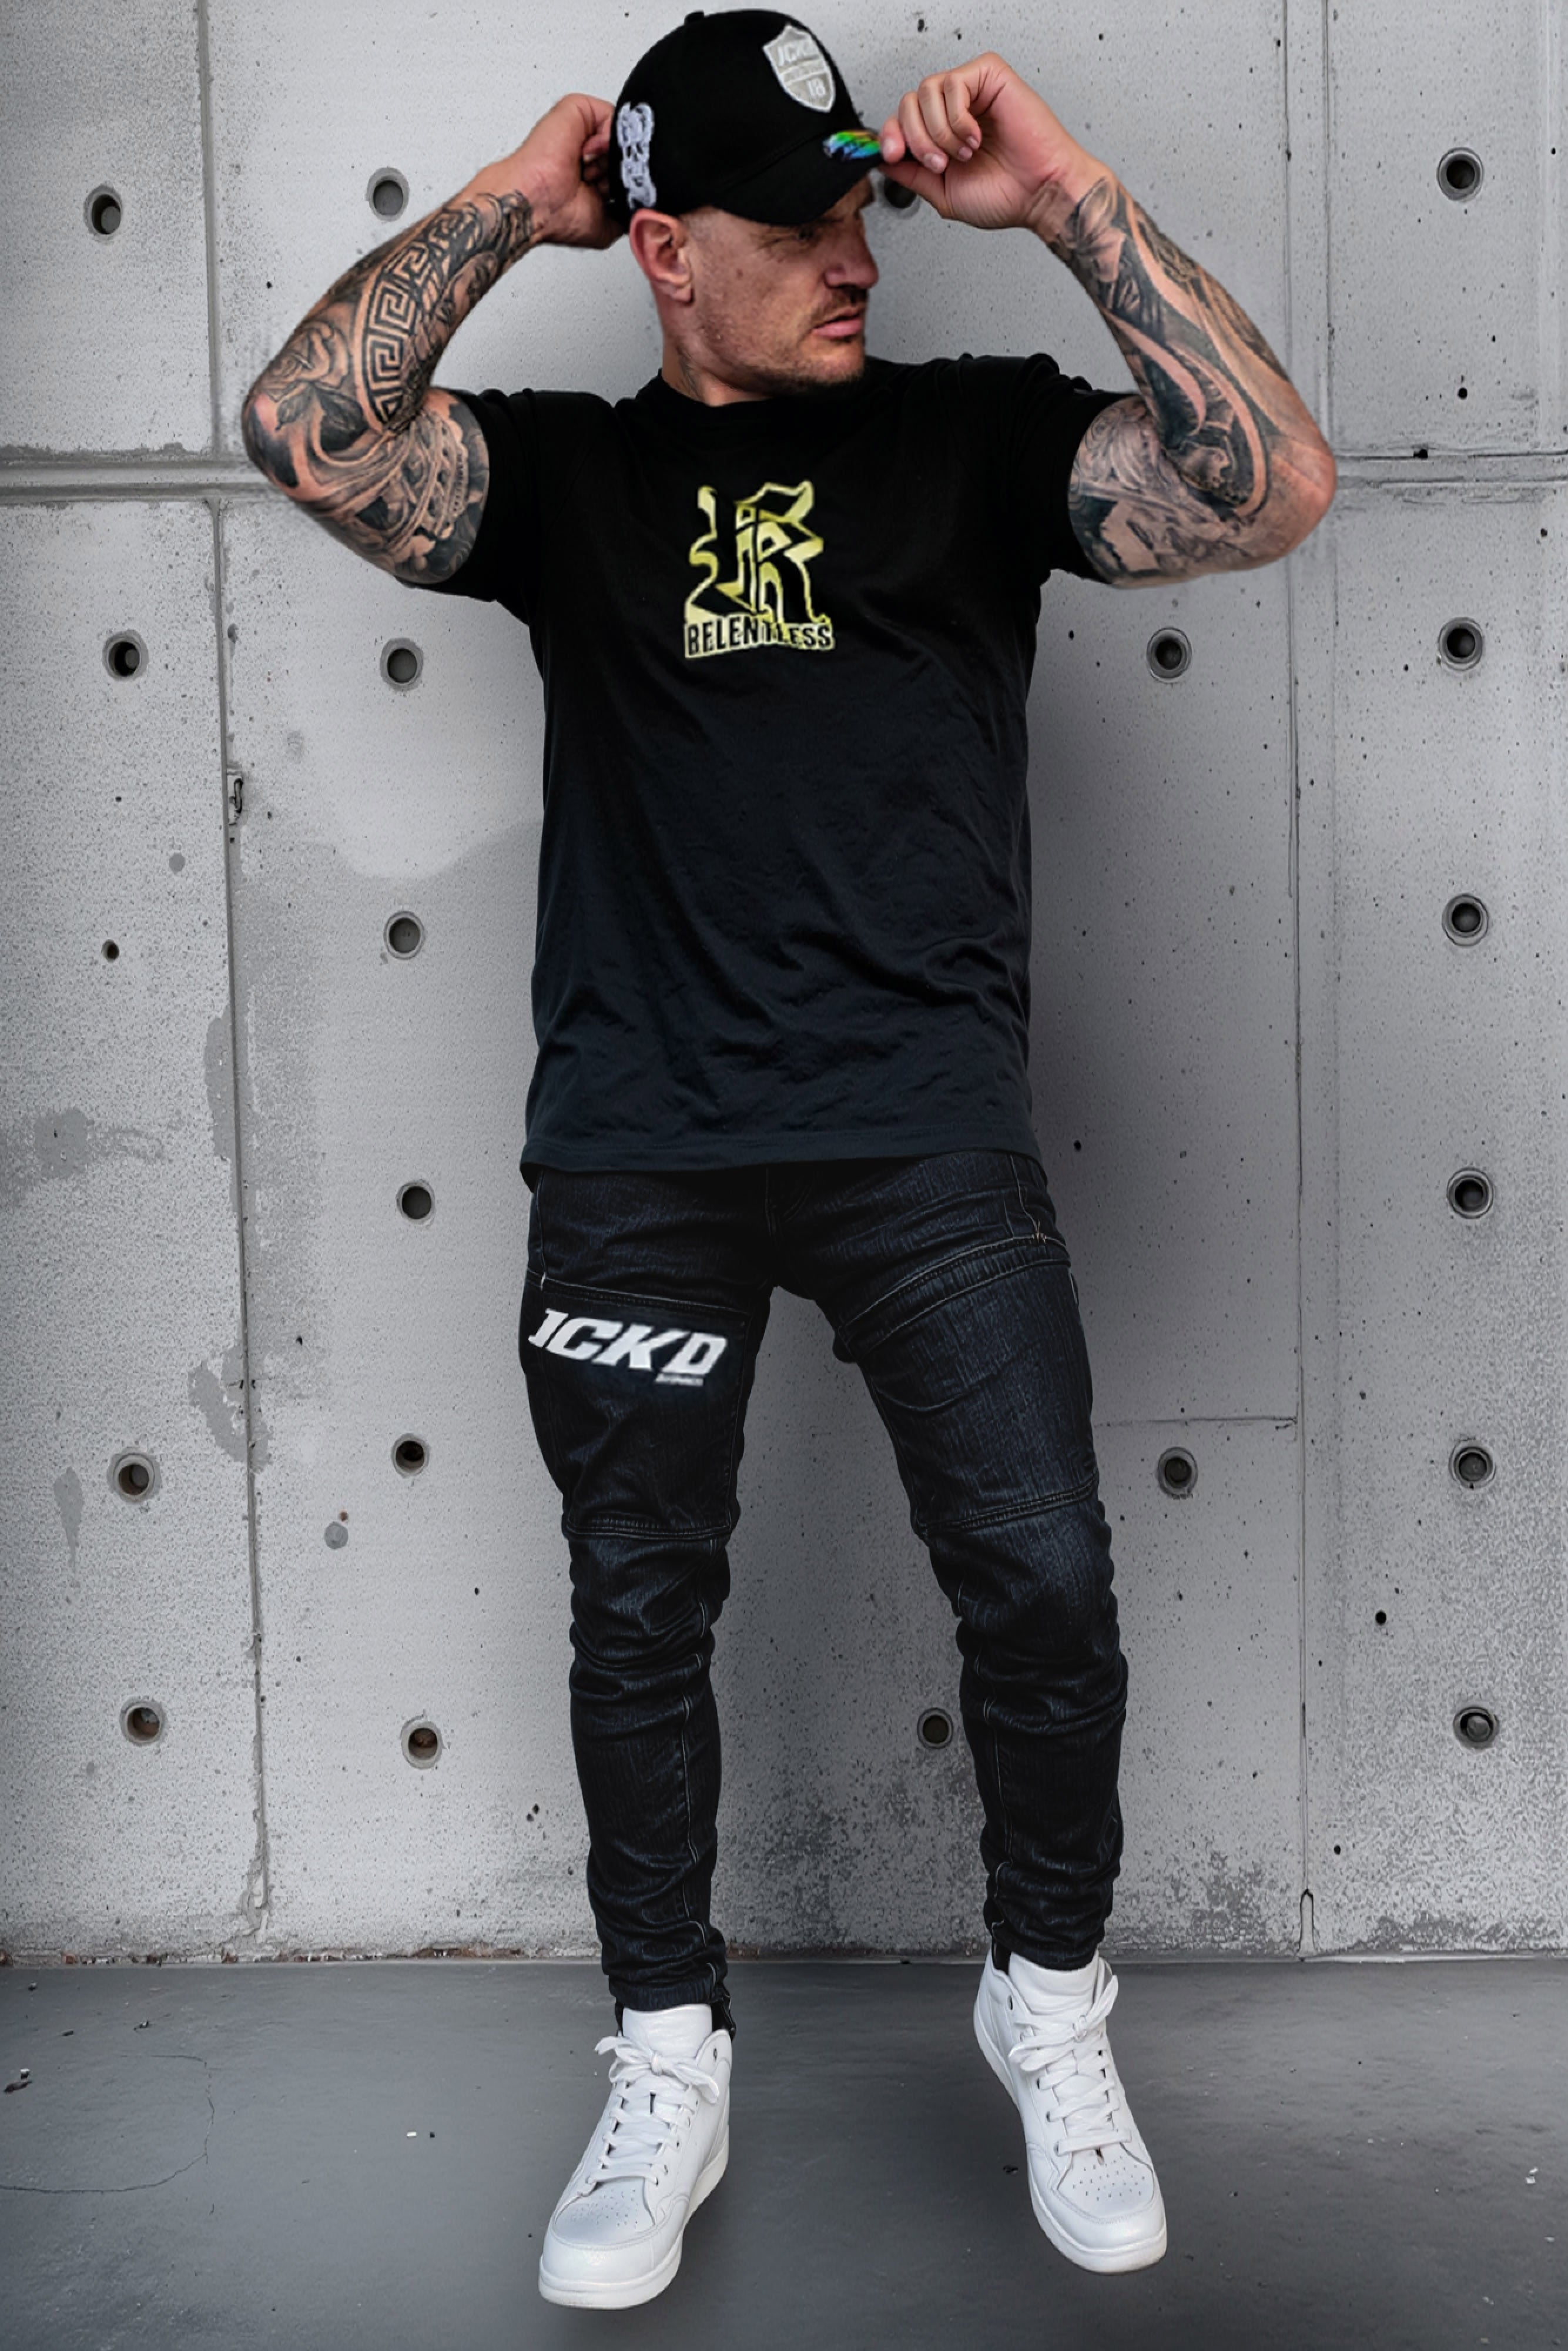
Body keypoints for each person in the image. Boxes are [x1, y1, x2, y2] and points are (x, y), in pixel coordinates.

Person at [241, 6, 1335, 2310]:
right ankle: (669, 2054)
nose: (853, 254)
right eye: (793, 220)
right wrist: (510, 202)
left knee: (1041, 1588)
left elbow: (1269, 488)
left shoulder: (969, 442)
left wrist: (1061, 198)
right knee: (640, 1613)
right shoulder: (563, 485)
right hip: (639, 1148)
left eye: (862, 208)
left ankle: (1047, 2001)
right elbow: (303, 430)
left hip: (922, 1139)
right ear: (663, 248)